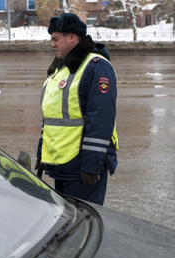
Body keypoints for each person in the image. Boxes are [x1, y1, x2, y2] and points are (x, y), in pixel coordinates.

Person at [35, 13, 118, 206]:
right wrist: (42, 152)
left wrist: (91, 162)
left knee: (84, 223)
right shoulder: (61, 69)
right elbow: (52, 116)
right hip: (63, 164)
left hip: (83, 166)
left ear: (72, 37)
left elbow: (101, 118)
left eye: (56, 39)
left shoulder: (96, 67)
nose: (52, 45)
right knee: (65, 221)